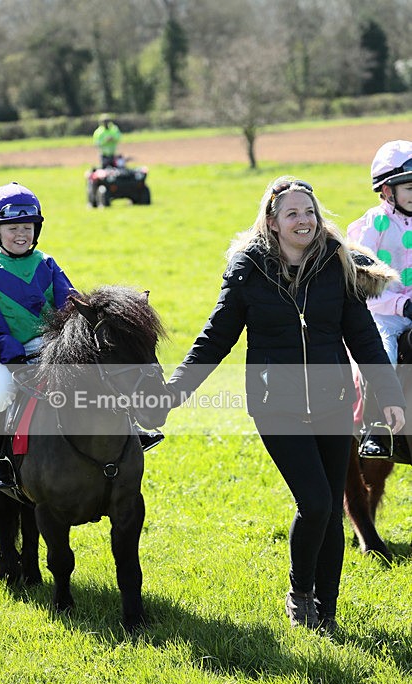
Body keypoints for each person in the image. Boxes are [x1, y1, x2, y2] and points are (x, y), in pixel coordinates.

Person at [156, 177, 406, 633]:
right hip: (277, 404)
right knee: (314, 502)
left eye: (309, 212)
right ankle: (300, 593)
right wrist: (174, 391)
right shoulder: (248, 269)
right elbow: (215, 338)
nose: (304, 221)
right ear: (271, 221)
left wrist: (388, 394)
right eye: (292, 214)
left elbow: (364, 337)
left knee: (331, 508)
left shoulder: (337, 264)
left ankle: (326, 612)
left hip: (333, 400)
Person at [0, 182, 76, 491]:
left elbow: (69, 302)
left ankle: (131, 429)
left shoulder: (47, 264)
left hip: (56, 348)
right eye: (12, 228)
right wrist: (10, 352)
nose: (21, 234)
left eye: (27, 227)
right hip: (12, 355)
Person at [347, 140, 412, 458]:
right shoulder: (373, 224)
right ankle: (375, 430)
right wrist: (402, 305)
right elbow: (365, 281)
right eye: (410, 187)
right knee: (380, 354)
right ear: (387, 191)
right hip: (382, 311)